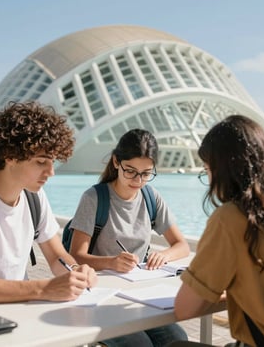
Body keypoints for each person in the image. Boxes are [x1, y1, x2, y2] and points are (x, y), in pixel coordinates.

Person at [169, 115, 264, 347]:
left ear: (224, 170)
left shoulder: (232, 219)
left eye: (208, 170)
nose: (208, 178)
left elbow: (184, 309)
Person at [0, 101, 97, 304]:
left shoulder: (34, 197)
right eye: (41, 162)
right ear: (10, 156)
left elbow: (56, 257)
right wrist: (43, 288)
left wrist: (77, 271)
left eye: (52, 162)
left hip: (20, 312)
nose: (51, 172)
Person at [69, 128, 190, 346]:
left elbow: (181, 245)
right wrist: (111, 263)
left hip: (137, 295)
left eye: (146, 173)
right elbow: (76, 256)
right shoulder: (94, 198)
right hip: (101, 297)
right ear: (116, 162)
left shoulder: (151, 197)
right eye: (131, 171)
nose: (138, 180)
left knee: (178, 340)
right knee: (140, 344)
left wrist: (163, 255)